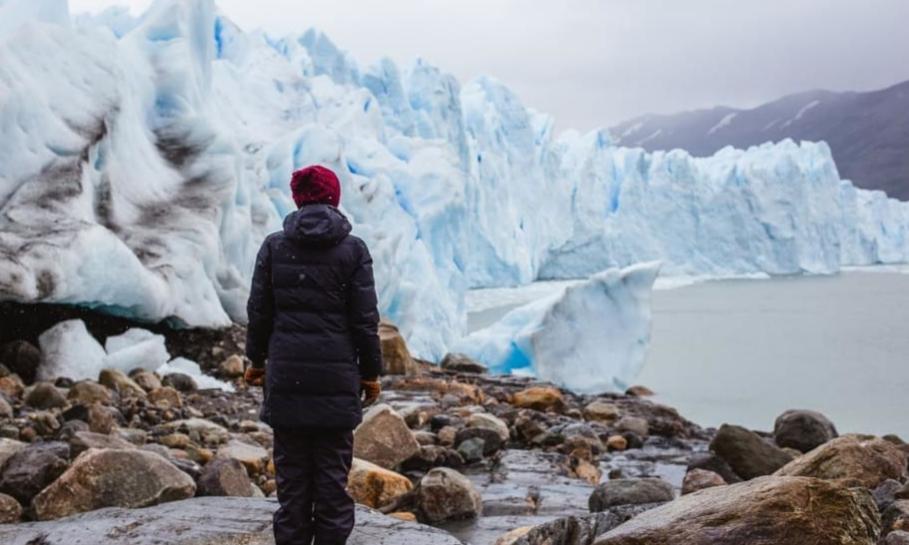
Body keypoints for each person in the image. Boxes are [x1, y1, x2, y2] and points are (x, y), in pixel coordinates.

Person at [243, 164, 383, 545]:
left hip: (287, 378)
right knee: (332, 485)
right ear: (334, 198)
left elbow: (259, 311)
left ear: (298, 198)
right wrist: (371, 373)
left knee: (292, 486)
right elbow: (365, 320)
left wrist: (255, 362)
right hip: (337, 381)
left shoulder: (275, 246)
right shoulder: (353, 250)